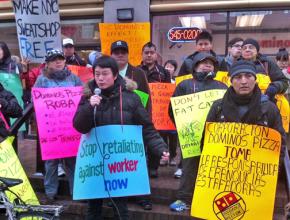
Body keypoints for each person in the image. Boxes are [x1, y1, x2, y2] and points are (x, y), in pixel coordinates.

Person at [73, 55, 169, 220]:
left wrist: (160, 148)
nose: (100, 78)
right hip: (95, 163)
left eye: (105, 74)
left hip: (119, 164)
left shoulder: (131, 98)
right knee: (93, 209)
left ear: (115, 75)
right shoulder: (89, 97)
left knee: (120, 207)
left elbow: (146, 127)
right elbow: (79, 126)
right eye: (97, 74)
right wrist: (89, 107)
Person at [169, 52, 227, 211]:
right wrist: (182, 126)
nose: (208, 64)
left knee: (213, 168)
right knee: (189, 168)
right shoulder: (185, 85)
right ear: (195, 66)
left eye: (211, 62)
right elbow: (173, 109)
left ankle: (210, 199)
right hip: (191, 136)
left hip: (215, 136)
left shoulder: (222, 86)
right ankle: (184, 199)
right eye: (203, 62)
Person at [206, 59, 286, 164]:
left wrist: (272, 171)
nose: (244, 81)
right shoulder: (218, 107)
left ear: (255, 79)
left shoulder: (269, 108)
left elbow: (280, 144)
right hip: (223, 171)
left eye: (248, 76)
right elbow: (206, 142)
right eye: (238, 77)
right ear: (231, 81)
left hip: (258, 172)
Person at [33, 49, 82, 202]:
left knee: (72, 162)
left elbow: (82, 98)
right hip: (51, 129)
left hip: (71, 129)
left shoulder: (74, 78)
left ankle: (77, 192)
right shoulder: (41, 80)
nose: (59, 61)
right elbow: (36, 103)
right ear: (47, 63)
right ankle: (50, 194)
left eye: (60, 58)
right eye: (54, 59)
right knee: (51, 163)